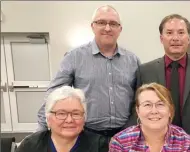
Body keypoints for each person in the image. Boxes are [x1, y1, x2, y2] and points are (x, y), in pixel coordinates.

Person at [37, 5, 141, 137]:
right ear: (93, 26)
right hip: (87, 134)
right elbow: (54, 94)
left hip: (125, 134)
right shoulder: (74, 57)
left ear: (120, 29)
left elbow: (140, 98)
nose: (107, 28)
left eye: (113, 24)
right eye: (101, 22)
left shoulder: (133, 60)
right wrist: (40, 132)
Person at [129, 14, 190, 146]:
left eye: (181, 33)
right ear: (161, 39)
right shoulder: (145, 71)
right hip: (154, 146)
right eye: (169, 33)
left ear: (189, 38)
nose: (175, 38)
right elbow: (137, 108)